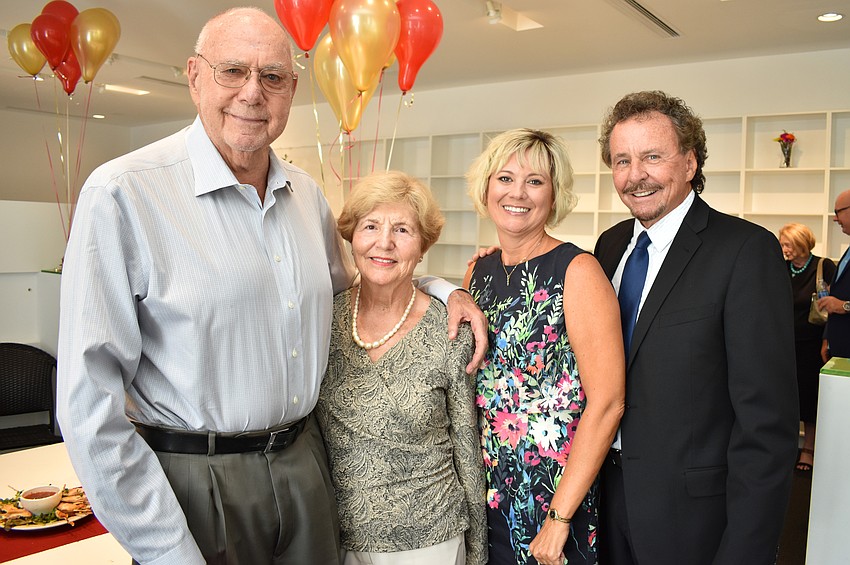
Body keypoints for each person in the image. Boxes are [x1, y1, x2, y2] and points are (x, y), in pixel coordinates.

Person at [56, 8, 486, 565]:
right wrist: (165, 549)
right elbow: (88, 406)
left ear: (292, 89)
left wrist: (441, 287)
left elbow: (363, 285)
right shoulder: (122, 194)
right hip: (195, 483)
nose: (252, 93)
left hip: (306, 468)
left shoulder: (306, 198)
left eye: (272, 77)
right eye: (232, 71)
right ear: (194, 76)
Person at [593, 90, 799, 565]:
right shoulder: (609, 246)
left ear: (689, 163)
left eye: (651, 157)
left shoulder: (745, 251)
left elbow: (766, 425)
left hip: (694, 520)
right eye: (621, 160)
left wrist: (747, 550)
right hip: (604, 500)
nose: (634, 175)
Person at [463, 128, 626, 565]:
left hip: (551, 491)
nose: (518, 192)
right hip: (484, 485)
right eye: (505, 178)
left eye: (535, 181)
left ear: (554, 196)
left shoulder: (578, 271)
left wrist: (559, 517)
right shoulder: (478, 272)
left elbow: (608, 403)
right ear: (486, 187)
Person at [315, 171, 486, 565]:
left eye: (403, 229)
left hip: (429, 539)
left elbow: (466, 444)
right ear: (351, 236)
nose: (384, 243)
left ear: (423, 245)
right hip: (333, 536)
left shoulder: (451, 330)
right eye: (371, 226)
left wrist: (477, 551)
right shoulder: (322, 319)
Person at [778, 223, 835, 472]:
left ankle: (808, 449)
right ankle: (786, 446)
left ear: (801, 244)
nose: (783, 248)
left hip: (812, 345)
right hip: (783, 344)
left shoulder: (822, 266)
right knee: (784, 397)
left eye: (787, 243)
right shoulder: (781, 268)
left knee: (810, 398)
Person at [817, 189, 850, 361]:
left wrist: (845, 306)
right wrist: (827, 339)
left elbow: (841, 304)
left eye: (838, 212)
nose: (835, 218)